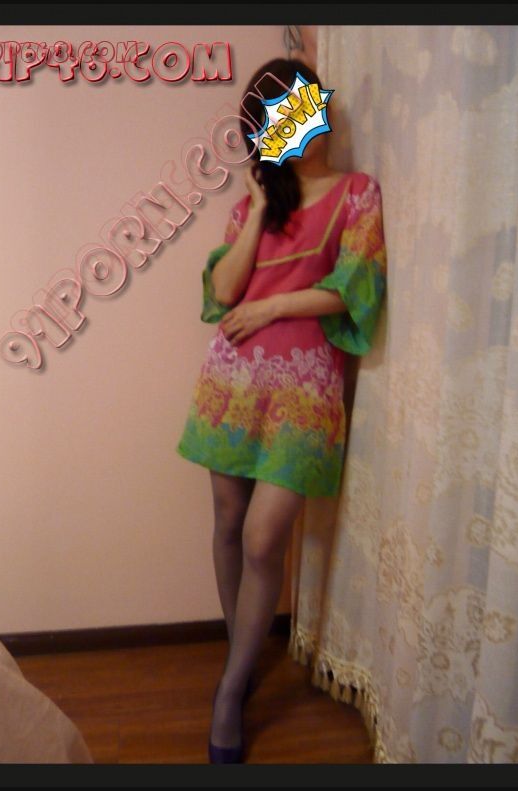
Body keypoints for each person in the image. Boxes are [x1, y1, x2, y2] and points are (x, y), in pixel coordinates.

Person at [175, 57, 388, 763]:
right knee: (227, 522)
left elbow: (355, 288)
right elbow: (223, 292)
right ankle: (239, 666)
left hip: (304, 387)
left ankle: (229, 689)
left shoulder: (357, 192)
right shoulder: (251, 208)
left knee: (264, 538)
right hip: (232, 382)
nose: (301, 125)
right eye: (281, 120)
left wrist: (274, 306)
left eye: (304, 108)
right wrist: (262, 208)